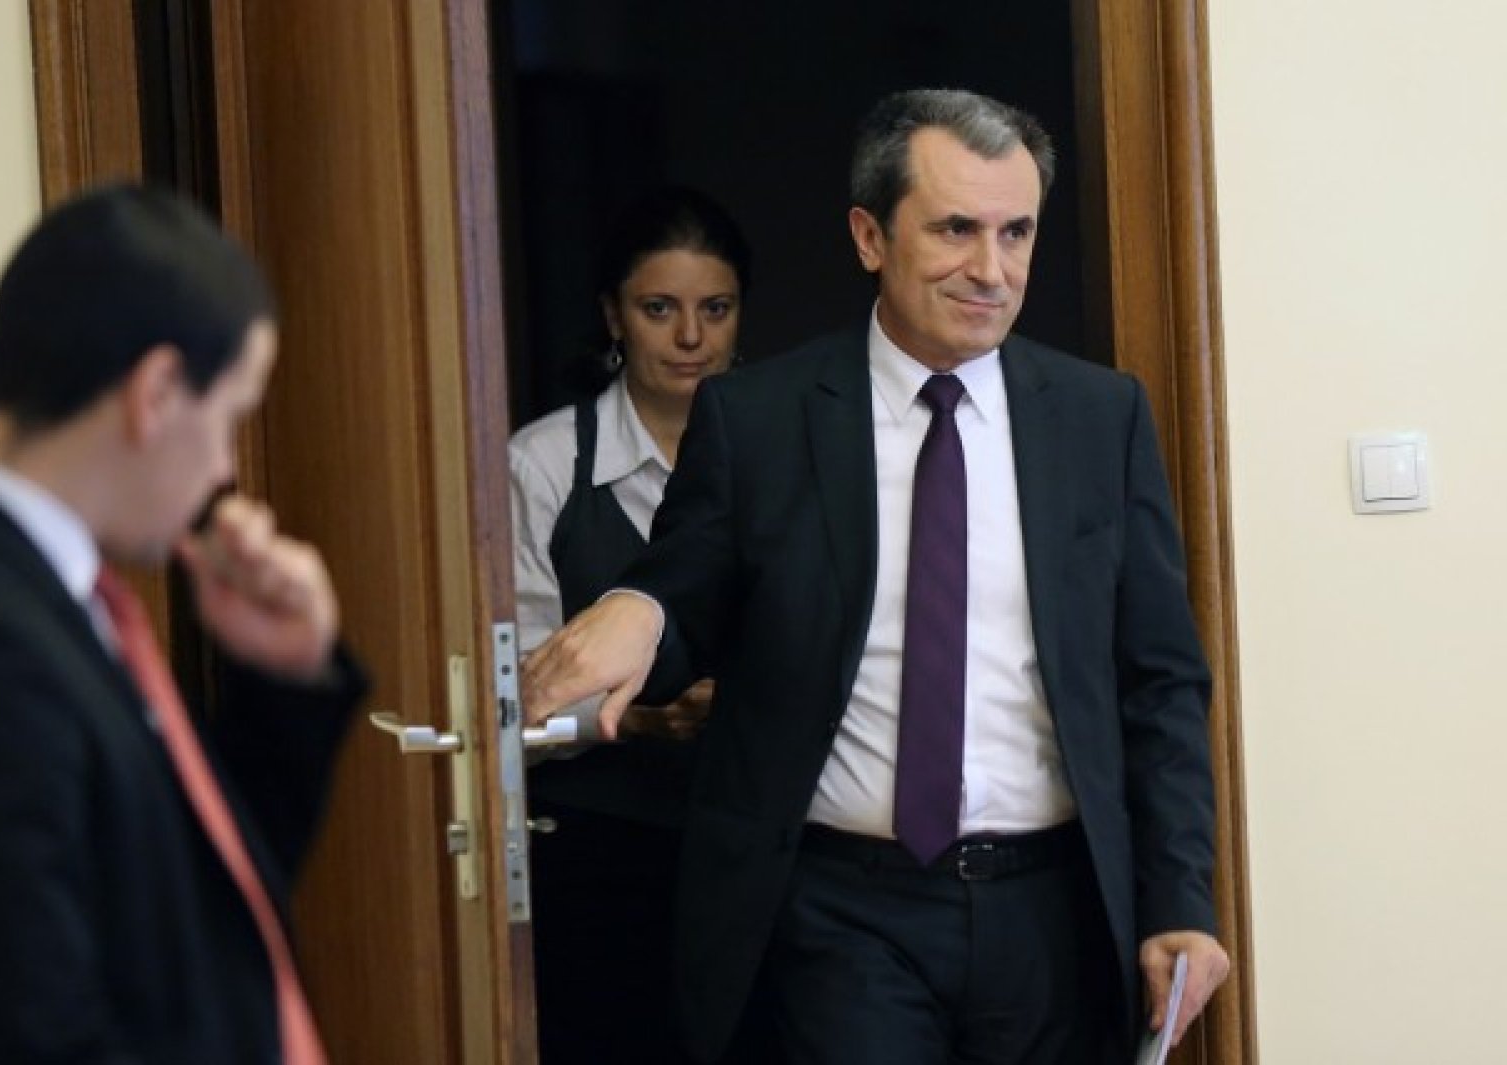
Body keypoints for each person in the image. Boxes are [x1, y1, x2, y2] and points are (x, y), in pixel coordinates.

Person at [521, 89, 1231, 1064]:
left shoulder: (1098, 419)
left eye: (1016, 232)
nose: (991, 269)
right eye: (955, 229)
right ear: (869, 236)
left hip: (1053, 912)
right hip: (842, 915)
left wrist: (1180, 898)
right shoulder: (759, 419)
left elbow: (1159, 683)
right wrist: (635, 608)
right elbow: (685, 591)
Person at [0, 184, 367, 1064]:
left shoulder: (47, 597)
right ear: (155, 392)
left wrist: (284, 679)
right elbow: (32, 1034)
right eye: (230, 417)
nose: (225, 468)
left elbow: (186, 927)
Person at [510, 186, 752, 1063]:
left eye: (715, 308)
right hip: (594, 854)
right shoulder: (544, 462)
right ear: (614, 316)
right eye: (659, 308)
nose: (691, 336)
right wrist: (641, 718)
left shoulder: (782, 451)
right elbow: (510, 704)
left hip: (752, 852)